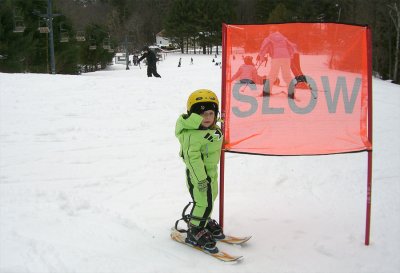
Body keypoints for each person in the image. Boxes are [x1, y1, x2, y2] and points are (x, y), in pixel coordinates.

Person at [174, 89, 225, 254]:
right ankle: (195, 230)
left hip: (211, 172)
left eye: (211, 113)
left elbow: (215, 139)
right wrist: (201, 179)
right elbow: (191, 159)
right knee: (203, 201)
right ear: (194, 116)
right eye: (202, 114)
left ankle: (204, 220)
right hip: (199, 175)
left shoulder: (212, 129)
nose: (208, 117)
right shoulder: (191, 134)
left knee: (211, 198)